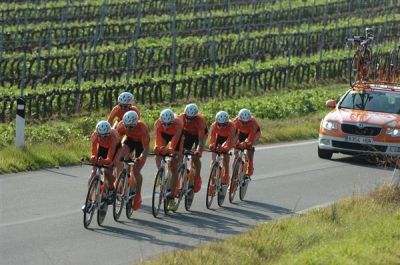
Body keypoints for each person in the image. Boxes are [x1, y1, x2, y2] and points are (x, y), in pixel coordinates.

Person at [115, 111, 150, 211]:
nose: (128, 129)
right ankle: (120, 181)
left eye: (131, 127)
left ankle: (138, 195)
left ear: (136, 124)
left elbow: (146, 148)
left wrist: (141, 157)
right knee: (120, 155)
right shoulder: (121, 125)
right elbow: (116, 142)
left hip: (141, 144)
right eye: (127, 126)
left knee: (136, 170)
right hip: (129, 140)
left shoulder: (142, 128)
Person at [153, 109, 184, 209]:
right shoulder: (158, 123)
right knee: (158, 153)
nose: (166, 126)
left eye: (169, 124)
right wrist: (159, 148)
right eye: (164, 124)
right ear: (161, 121)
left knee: (173, 165)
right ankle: (160, 173)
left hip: (177, 138)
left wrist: (172, 151)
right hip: (164, 136)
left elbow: (174, 143)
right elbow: (157, 140)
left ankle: (171, 198)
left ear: (172, 122)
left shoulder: (178, 124)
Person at [178, 103, 208, 193]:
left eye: (192, 118)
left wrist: (198, 150)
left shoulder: (200, 121)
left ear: (195, 116)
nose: (189, 120)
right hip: (188, 133)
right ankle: (185, 172)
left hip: (200, 136)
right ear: (185, 114)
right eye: (187, 117)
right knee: (180, 154)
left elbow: (201, 141)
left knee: (195, 157)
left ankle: (197, 177)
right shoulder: (181, 118)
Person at [88, 121, 120, 203]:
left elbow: (109, 158)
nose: (102, 138)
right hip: (103, 148)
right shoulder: (95, 135)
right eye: (100, 136)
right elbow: (94, 151)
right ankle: (88, 201)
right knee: (93, 172)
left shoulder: (113, 137)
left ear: (109, 133)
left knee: (107, 171)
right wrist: (93, 158)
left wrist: (104, 161)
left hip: (115, 149)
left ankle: (111, 189)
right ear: (97, 133)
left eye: (105, 136)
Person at [208, 111, 236, 188]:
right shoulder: (213, 125)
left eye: (224, 125)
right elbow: (212, 138)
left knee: (225, 160)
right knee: (213, 161)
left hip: (229, 139)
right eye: (219, 124)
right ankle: (212, 183)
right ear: (216, 122)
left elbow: (230, 140)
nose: (221, 127)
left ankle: (226, 177)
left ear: (227, 122)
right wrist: (212, 146)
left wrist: (224, 148)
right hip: (219, 138)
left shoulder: (232, 126)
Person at [233, 109, 260, 177]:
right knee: (236, 151)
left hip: (254, 133)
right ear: (239, 119)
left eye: (246, 122)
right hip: (242, 133)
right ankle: (234, 179)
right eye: (243, 122)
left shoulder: (253, 122)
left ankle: (250, 165)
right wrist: (234, 144)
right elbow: (233, 134)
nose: (244, 124)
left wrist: (245, 143)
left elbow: (250, 138)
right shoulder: (235, 121)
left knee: (249, 146)